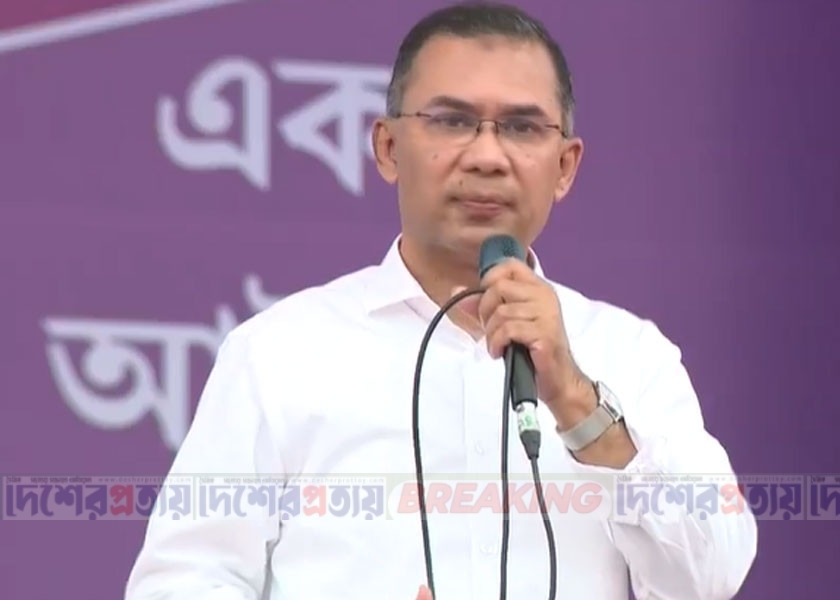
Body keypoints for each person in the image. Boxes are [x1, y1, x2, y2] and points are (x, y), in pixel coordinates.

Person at [123, 2, 757, 599]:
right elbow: (180, 584)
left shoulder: (631, 356)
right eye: (452, 121)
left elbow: (713, 576)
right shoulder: (279, 353)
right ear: (388, 148)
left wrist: (577, 402)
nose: (487, 156)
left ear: (564, 166)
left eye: (521, 127)